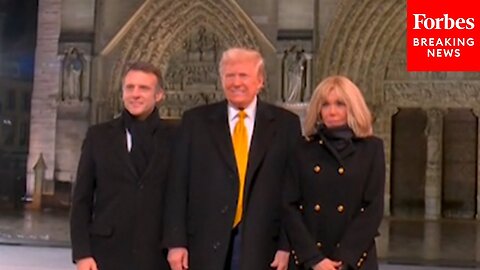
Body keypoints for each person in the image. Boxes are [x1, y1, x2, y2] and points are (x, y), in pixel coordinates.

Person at [163, 47, 302, 270]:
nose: (236, 82)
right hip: (204, 244)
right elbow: (177, 186)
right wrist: (175, 242)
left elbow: (293, 190)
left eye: (243, 75)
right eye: (230, 76)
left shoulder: (286, 125)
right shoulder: (195, 122)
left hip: (264, 245)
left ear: (260, 81)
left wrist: (286, 246)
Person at [70, 62, 174, 270]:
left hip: (158, 257)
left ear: (159, 95)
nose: (135, 94)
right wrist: (82, 254)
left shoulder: (176, 138)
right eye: (129, 87)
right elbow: (81, 200)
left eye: (143, 88)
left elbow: (184, 200)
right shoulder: (98, 137)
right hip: (105, 256)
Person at [284, 75, 385, 270]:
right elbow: (289, 205)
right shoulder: (302, 149)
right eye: (325, 105)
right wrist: (314, 259)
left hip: (354, 259)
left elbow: (373, 208)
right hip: (310, 259)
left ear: (352, 107)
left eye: (340, 104)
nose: (332, 111)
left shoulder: (371, 149)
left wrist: (345, 258)